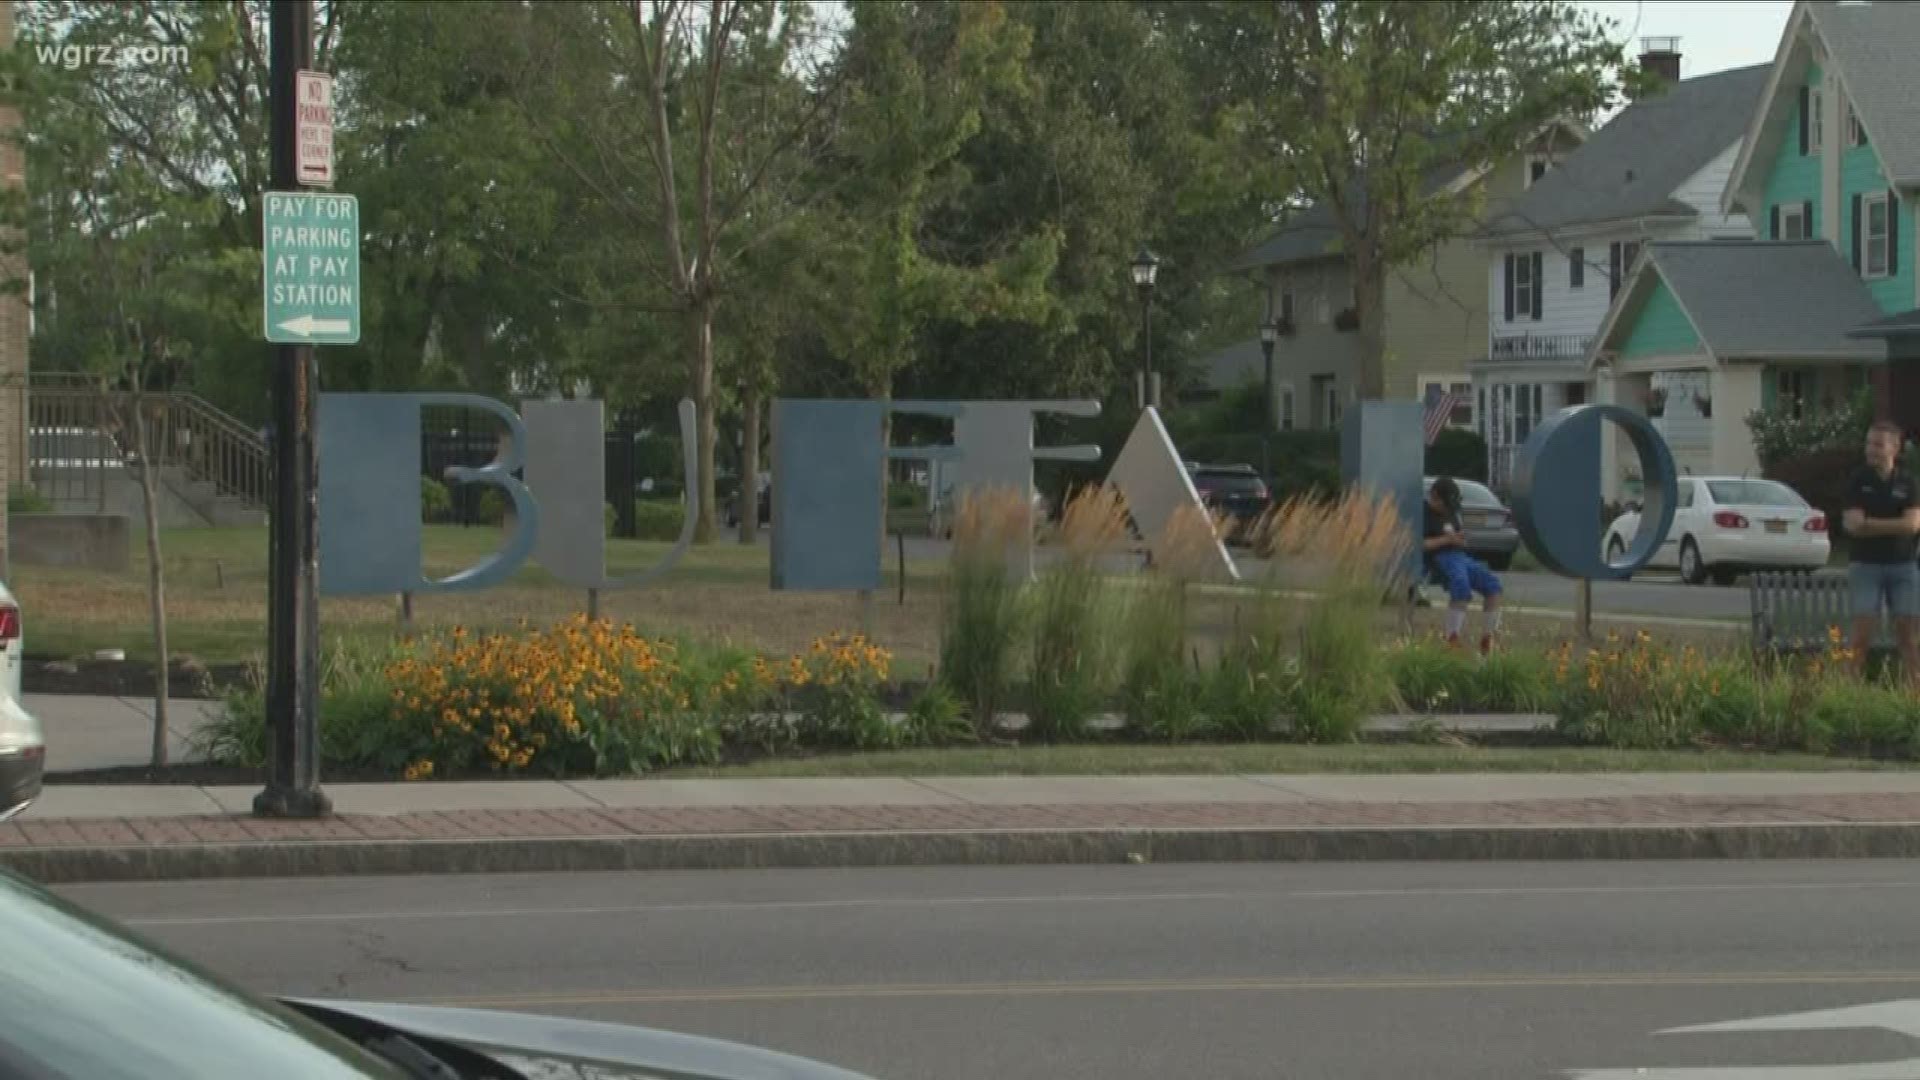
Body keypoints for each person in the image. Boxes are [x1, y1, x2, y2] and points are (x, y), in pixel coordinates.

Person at [1844, 420, 1920, 682]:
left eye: (1878, 444)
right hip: (1866, 565)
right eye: (1868, 443)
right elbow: (1853, 524)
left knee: (1908, 636)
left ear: (1895, 448)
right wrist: (1894, 525)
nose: (1871, 450)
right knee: (1861, 635)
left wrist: (1870, 524)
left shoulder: (1908, 482)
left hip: (1903, 566)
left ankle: (1914, 694)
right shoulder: (1858, 480)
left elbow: (1912, 525)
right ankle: (1847, 692)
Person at [1423, 477, 1502, 653]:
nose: (1447, 510)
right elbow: (1423, 544)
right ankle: (1452, 638)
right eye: (1444, 505)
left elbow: (1457, 535)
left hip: (1459, 555)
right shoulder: (1424, 512)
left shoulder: (1451, 511)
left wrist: (1460, 540)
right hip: (1439, 557)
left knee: (1493, 586)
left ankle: (1488, 638)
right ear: (1434, 496)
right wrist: (1448, 539)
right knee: (1461, 586)